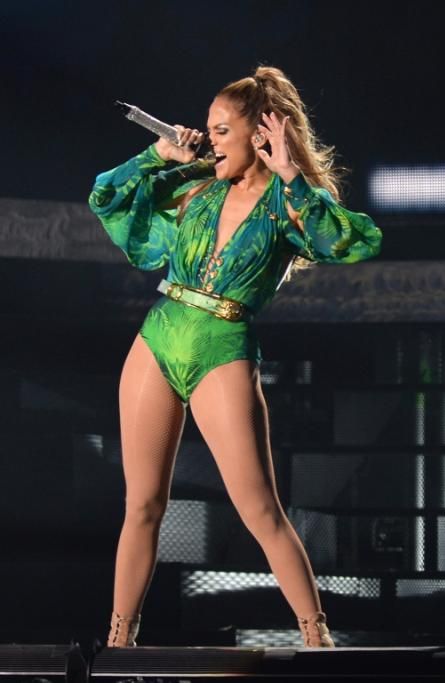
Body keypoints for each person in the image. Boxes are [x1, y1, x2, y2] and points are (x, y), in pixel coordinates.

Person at [88, 66, 382, 649]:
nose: (210, 140)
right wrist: (158, 154)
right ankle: (119, 646)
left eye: (222, 131)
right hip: (159, 336)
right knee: (141, 504)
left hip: (222, 346)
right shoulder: (198, 183)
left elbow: (348, 240)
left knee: (259, 509)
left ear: (261, 135)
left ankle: (317, 638)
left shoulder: (289, 201)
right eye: (210, 129)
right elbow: (107, 197)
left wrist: (292, 175)